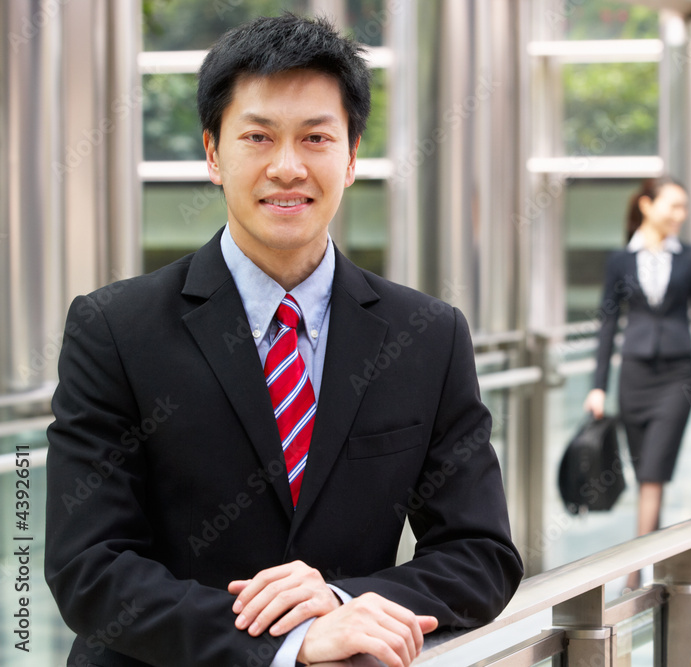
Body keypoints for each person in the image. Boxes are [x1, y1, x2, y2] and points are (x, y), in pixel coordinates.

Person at [44, 14, 522, 667]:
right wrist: (284, 639)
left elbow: (481, 554)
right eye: (259, 137)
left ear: (352, 157)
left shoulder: (428, 336)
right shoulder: (115, 328)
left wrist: (339, 597)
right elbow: (89, 569)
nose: (288, 166)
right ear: (214, 153)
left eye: (316, 137)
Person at [583, 176, 691, 591]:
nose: (680, 215)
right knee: (645, 471)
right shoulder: (620, 261)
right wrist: (598, 384)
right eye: (673, 206)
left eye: (684, 208)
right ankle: (648, 555)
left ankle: (634, 571)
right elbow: (608, 324)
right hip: (634, 377)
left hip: (677, 378)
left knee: (654, 472)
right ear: (647, 205)